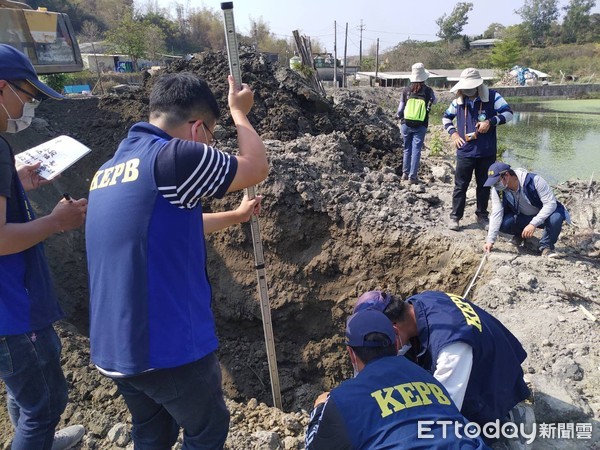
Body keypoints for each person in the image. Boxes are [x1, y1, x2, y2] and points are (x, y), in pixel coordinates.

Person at [85, 72, 268, 448]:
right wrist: (239, 112)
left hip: (115, 348)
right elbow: (256, 166)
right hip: (163, 349)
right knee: (208, 427)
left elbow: (159, 227)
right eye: (212, 136)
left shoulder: (111, 169)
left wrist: (234, 216)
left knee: (154, 430)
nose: (210, 145)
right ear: (197, 128)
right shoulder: (174, 155)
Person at [0, 44, 86, 449]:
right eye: (27, 95)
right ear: (2, 87)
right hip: (12, 307)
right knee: (45, 404)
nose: (28, 105)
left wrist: (16, 180)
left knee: (24, 393)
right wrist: (55, 222)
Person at [354, 290, 534, 448]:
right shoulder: (419, 303)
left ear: (393, 328)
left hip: (494, 382)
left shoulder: (451, 347)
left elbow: (442, 412)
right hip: (482, 359)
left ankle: (510, 419)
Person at [305, 308, 489, 449]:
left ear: (351, 354)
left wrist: (319, 409)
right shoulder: (428, 378)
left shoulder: (343, 399)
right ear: (396, 344)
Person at [442, 68, 513, 231]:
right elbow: (446, 117)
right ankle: (455, 217)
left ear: (478, 86)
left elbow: (508, 114)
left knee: (484, 185)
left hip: (486, 152)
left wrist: (491, 121)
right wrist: (453, 134)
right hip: (465, 151)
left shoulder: (493, 97)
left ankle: (482, 215)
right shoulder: (458, 101)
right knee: (460, 185)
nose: (467, 91)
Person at [483, 162, 570, 258]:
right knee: (504, 223)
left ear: (506, 175)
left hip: (546, 215)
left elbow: (550, 204)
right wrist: (490, 241)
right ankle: (520, 235)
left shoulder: (534, 180)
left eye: (496, 182)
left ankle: (546, 247)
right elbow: (496, 213)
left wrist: (533, 224)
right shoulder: (498, 190)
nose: (495, 185)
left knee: (556, 218)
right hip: (524, 216)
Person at [395, 62, 436, 184]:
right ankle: (413, 177)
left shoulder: (406, 90)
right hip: (421, 124)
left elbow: (400, 108)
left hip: (406, 124)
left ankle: (404, 174)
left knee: (407, 149)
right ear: (424, 77)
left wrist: (398, 116)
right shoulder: (428, 91)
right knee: (416, 150)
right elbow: (435, 102)